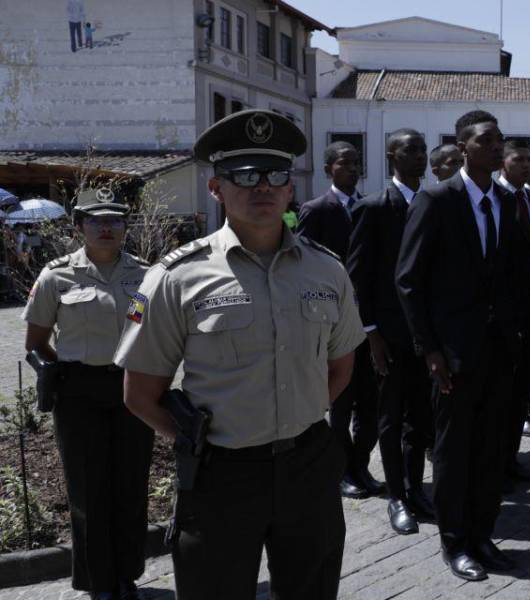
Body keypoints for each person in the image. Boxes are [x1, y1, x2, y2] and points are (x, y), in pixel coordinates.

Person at [116, 109, 364, 599]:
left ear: (291, 188)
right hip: (221, 476)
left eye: (276, 175)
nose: (262, 188)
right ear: (216, 188)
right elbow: (141, 393)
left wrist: (296, 418)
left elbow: (340, 367)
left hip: (307, 466)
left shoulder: (326, 270)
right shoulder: (175, 277)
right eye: (245, 176)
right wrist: (198, 445)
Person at [396, 110, 520, 582]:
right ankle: (455, 543)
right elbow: (409, 281)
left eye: (499, 140)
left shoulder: (505, 202)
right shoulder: (436, 200)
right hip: (451, 355)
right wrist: (429, 349)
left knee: (491, 449)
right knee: (453, 450)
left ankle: (483, 534)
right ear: (463, 146)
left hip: (498, 351)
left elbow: (509, 276)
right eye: (486, 140)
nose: (496, 147)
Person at [24, 189, 152, 600]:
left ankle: (127, 576)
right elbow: (36, 343)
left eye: (115, 220)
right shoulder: (56, 275)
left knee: (131, 485)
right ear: (79, 227)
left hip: (133, 387)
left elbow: (159, 333)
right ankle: (99, 582)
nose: (106, 228)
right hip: (79, 392)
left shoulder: (147, 275)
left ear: (125, 227)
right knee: (88, 489)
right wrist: (58, 372)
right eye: (96, 221)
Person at [347, 128, 436, 536]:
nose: (418, 156)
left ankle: (416, 488)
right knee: (390, 415)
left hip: (426, 335)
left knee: (421, 415)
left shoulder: (434, 203)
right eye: (409, 150)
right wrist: (372, 335)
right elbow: (358, 276)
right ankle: (396, 496)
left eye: (422, 150)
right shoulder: (375, 207)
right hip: (388, 334)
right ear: (391, 157)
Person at [299, 141, 383, 499]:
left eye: (356, 162)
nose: (352, 168)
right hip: (334, 325)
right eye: (344, 163)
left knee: (372, 405)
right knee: (341, 406)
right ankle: (342, 470)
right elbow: (302, 264)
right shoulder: (316, 210)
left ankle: (359, 464)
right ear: (328, 169)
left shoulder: (371, 207)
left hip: (371, 325)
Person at [494, 141, 530, 480]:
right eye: (519, 160)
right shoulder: (495, 201)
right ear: (503, 163)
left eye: (529, 161)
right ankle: (496, 461)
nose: (527, 166)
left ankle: (511, 457)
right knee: (502, 390)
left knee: (525, 381)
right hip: (503, 313)